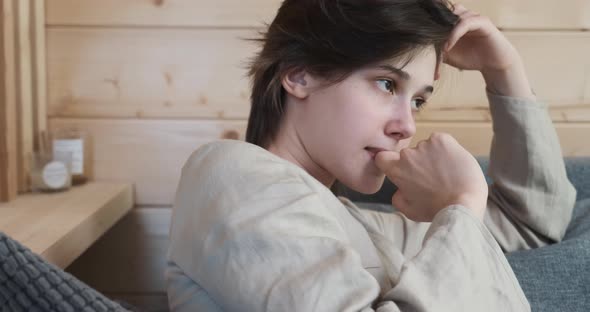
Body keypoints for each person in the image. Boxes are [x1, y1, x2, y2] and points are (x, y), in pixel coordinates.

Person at [166, 0, 577, 311]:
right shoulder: (234, 175)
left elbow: (531, 229)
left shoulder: (353, 220)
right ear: (298, 73)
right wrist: (460, 206)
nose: (408, 126)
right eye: (385, 83)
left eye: (417, 101)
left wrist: (502, 68)